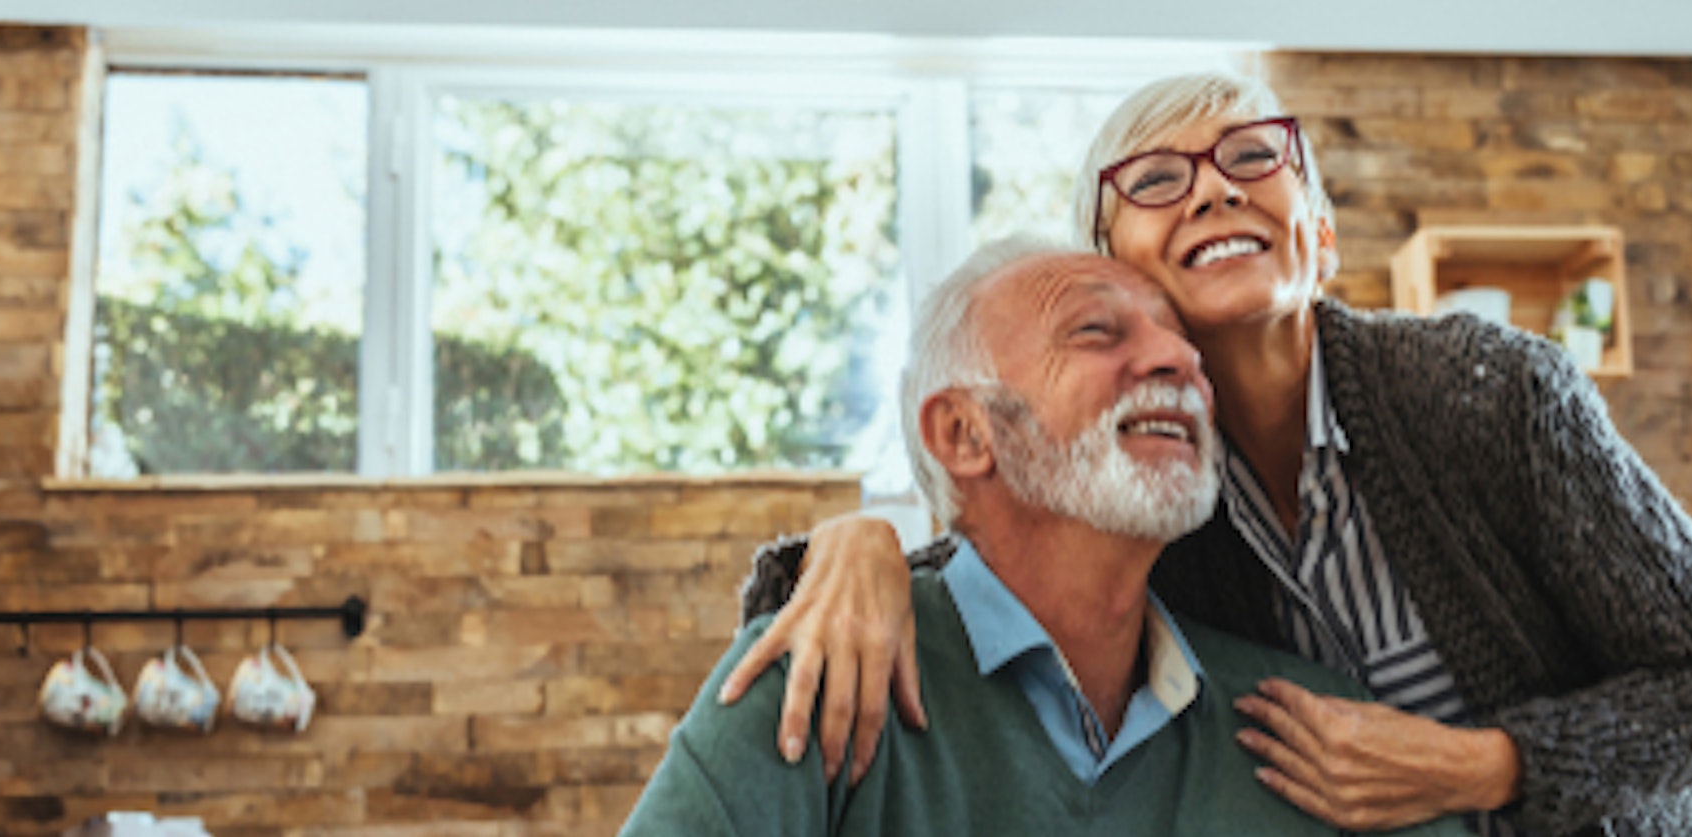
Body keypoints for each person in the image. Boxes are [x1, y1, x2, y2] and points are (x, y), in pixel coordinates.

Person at [725, 72, 1692, 836]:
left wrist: (1479, 767)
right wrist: (850, 545)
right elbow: (983, 578)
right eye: (1157, 179)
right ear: (1108, 271)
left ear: (1319, 235)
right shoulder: (1137, 489)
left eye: (1250, 157)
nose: (1214, 190)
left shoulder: (1492, 392)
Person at [620, 240, 1466, 836]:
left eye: (1181, 339)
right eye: (1098, 331)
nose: (1179, 358)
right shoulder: (815, 681)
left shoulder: (1326, 734)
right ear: (964, 434)